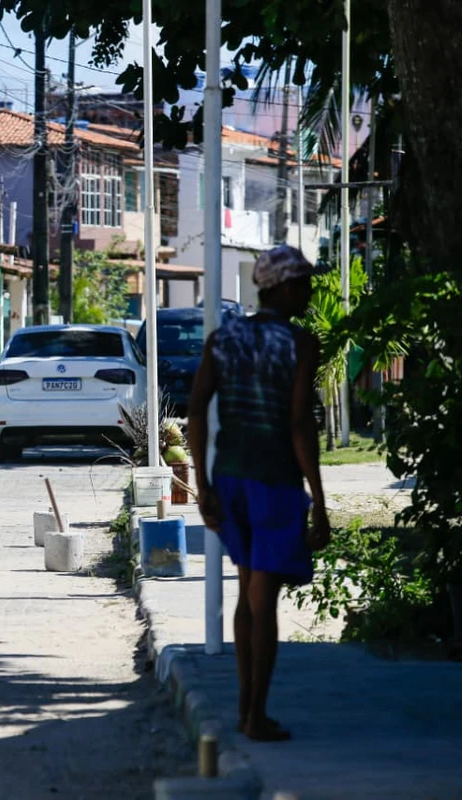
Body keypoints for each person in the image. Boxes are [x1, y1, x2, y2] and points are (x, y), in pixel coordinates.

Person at [187, 245, 331, 743]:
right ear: (284, 288)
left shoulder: (223, 339)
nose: (309, 292)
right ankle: (255, 716)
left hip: (229, 478)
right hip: (274, 481)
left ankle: (246, 710)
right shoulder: (300, 343)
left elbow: (196, 411)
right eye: (305, 284)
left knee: (248, 590)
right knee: (263, 598)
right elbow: (299, 424)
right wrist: (319, 500)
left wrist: (202, 484)